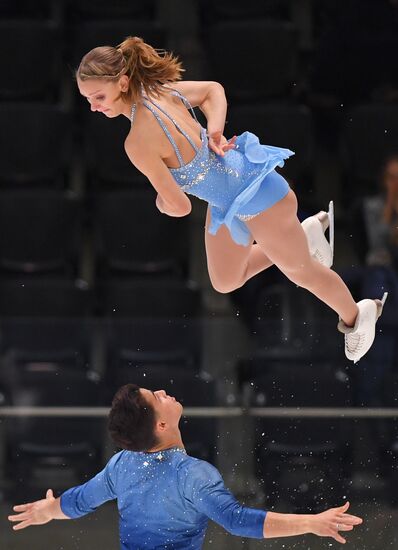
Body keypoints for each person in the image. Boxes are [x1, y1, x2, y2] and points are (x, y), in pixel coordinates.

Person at [75, 36, 386, 363]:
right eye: (87, 99)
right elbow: (213, 90)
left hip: (260, 197)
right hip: (229, 202)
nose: (94, 106)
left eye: (98, 96)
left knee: (302, 272)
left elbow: (179, 207)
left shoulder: (137, 141)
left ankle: (357, 315)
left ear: (123, 82)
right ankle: (305, 235)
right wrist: (215, 130)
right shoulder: (161, 92)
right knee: (225, 281)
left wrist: (160, 202)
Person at [8, 383, 363, 547]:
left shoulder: (122, 467)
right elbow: (238, 522)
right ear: (161, 425)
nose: (163, 392)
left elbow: (79, 502)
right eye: (157, 398)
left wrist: (47, 511)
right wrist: (312, 522)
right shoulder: (194, 476)